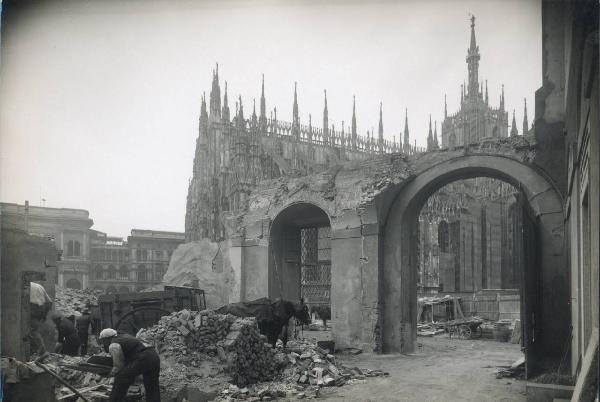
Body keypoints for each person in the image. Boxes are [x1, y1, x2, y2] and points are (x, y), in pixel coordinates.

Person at [99, 328, 161, 402]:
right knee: (152, 385)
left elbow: (118, 366)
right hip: (153, 356)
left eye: (103, 341)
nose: (103, 343)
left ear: (106, 339)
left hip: (143, 358)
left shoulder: (113, 345)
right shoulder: (124, 336)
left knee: (121, 378)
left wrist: (110, 374)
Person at [29, 282, 53, 355]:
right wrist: (44, 315)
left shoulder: (26, 285)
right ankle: (36, 351)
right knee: (34, 330)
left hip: (31, 307)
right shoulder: (39, 286)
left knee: (32, 330)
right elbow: (49, 302)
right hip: (40, 308)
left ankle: (42, 351)